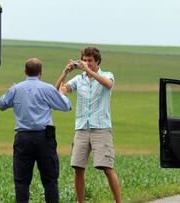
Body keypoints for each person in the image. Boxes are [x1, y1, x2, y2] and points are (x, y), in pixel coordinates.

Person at [0, 58, 71, 203]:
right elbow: (65, 106)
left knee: (21, 181)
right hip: (44, 138)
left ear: (25, 72)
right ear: (40, 73)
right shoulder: (47, 88)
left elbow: (1, 105)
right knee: (50, 180)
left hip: (23, 138)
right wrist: (62, 94)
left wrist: (10, 91)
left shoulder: (16, 89)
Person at [55, 47, 121, 203]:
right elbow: (58, 90)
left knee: (107, 168)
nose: (86, 63)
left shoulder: (107, 75)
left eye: (90, 61)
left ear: (97, 61)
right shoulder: (79, 79)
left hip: (101, 128)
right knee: (78, 168)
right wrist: (65, 73)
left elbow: (108, 85)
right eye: (84, 60)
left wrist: (89, 72)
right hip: (82, 128)